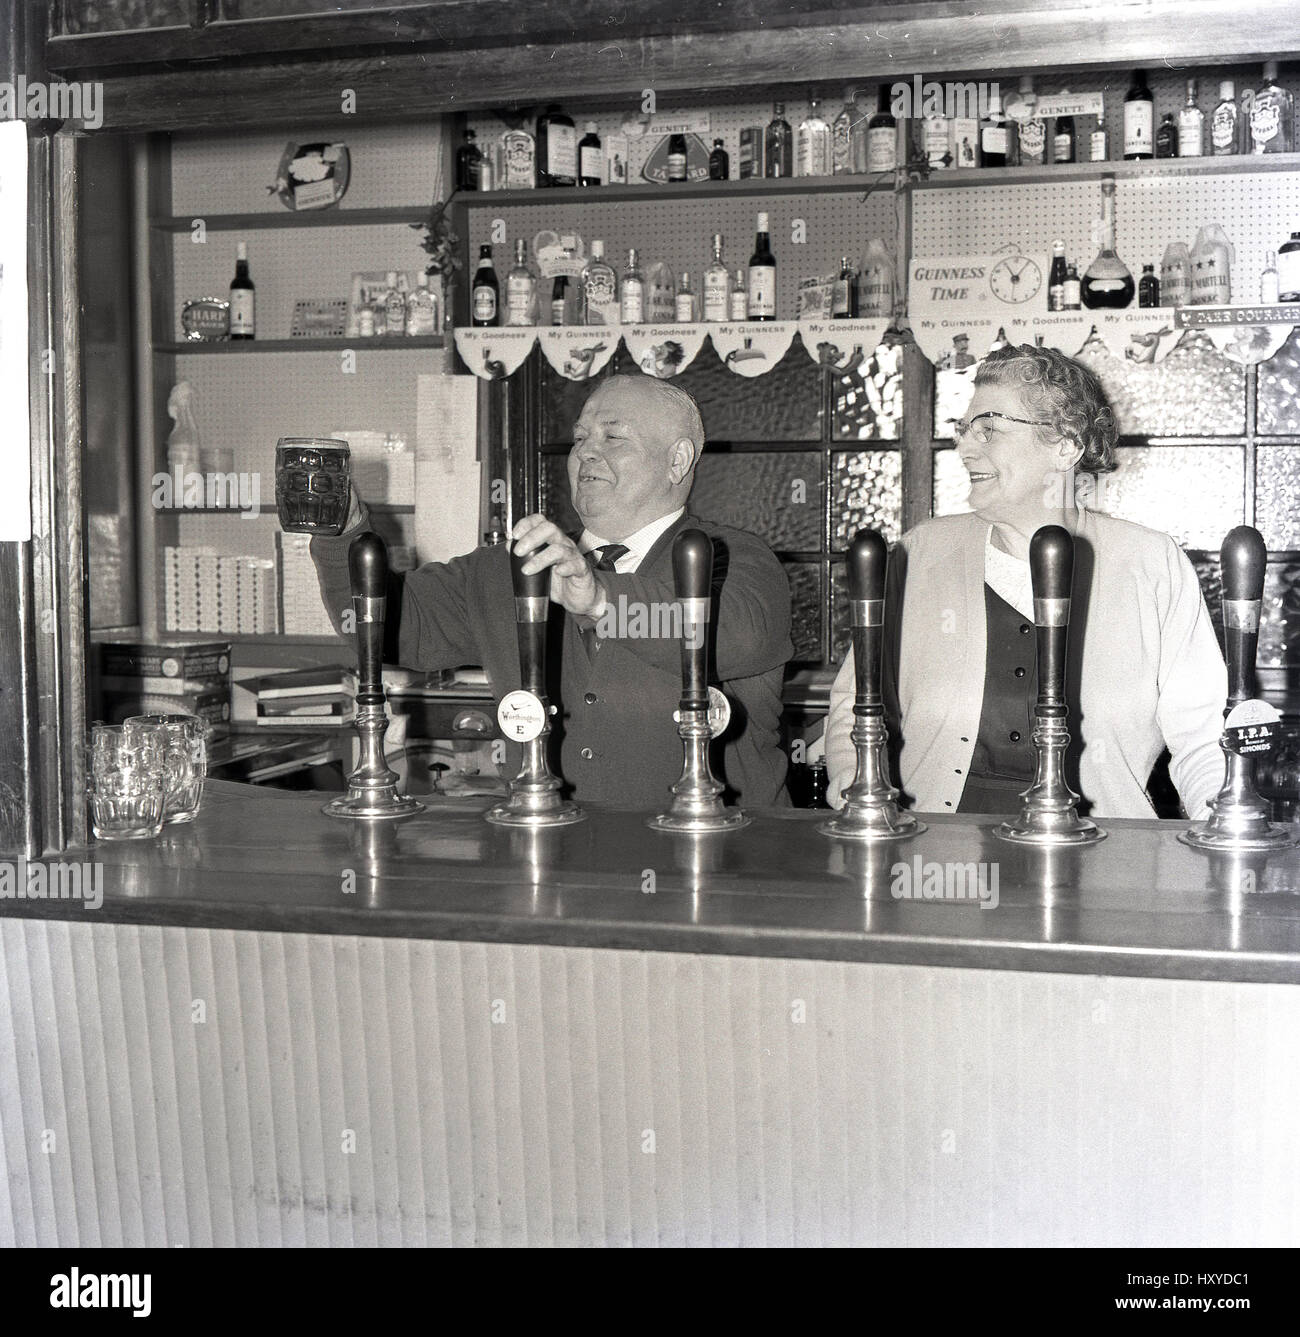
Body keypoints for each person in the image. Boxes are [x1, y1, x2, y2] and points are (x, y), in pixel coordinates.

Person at [310, 374, 792, 808]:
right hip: (553, 862)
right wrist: (342, 532)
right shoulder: (516, 567)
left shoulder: (734, 559)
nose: (586, 451)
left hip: (716, 866)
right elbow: (386, 630)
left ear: (678, 460)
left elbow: (721, 633)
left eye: (613, 436)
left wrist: (602, 600)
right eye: (580, 437)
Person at [826, 344, 1227, 820]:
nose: (964, 447)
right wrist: (858, 793)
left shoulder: (1153, 563)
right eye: (964, 430)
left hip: (1100, 856)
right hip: (933, 860)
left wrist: (1224, 832)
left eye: (989, 429)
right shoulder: (919, 554)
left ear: (1065, 444)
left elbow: (1201, 736)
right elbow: (855, 702)